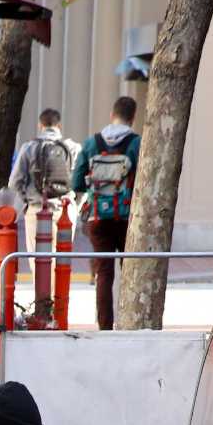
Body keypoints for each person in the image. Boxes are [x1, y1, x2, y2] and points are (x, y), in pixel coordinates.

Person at [72, 97, 142, 330]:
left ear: (112, 115)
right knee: (130, 270)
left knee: (104, 273)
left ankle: (105, 326)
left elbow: (77, 182)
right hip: (126, 217)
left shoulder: (92, 142)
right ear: (132, 117)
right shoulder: (136, 143)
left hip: (98, 218)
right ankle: (129, 322)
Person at [10, 109, 82, 212]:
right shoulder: (73, 148)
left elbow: (14, 183)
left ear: (40, 125)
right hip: (65, 209)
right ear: (59, 126)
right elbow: (82, 182)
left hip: (37, 209)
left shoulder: (29, 147)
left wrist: (27, 201)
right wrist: (76, 206)